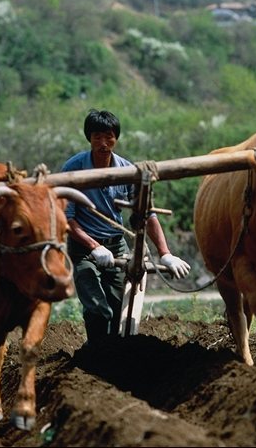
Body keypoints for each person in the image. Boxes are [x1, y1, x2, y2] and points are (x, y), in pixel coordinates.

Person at [61, 109, 190, 342]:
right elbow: (67, 219)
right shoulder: (74, 169)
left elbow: (147, 214)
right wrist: (93, 247)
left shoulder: (127, 170)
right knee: (98, 308)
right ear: (89, 138)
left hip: (117, 245)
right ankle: (95, 355)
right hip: (83, 248)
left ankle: (111, 356)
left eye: (108, 136)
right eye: (97, 137)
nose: (103, 143)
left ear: (116, 138)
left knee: (116, 307)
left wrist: (165, 254)